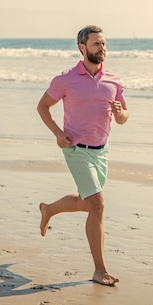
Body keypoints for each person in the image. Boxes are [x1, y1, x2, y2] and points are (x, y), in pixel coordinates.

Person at [36, 25, 129, 286]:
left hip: (102, 151)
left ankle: (49, 209)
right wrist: (57, 133)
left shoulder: (113, 80)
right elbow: (42, 106)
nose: (102, 48)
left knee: (88, 203)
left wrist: (120, 112)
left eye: (103, 44)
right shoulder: (65, 79)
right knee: (98, 205)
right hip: (76, 149)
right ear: (82, 47)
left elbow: (123, 118)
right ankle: (99, 270)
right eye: (97, 44)